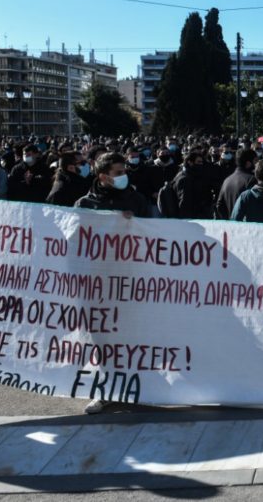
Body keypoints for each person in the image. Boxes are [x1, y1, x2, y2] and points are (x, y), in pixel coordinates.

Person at [74, 152, 152, 414]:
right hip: (98, 283)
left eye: (124, 170)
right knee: (102, 338)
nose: (123, 176)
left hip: (130, 279)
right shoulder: (85, 204)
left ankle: (138, 385)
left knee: (132, 336)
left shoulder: (137, 199)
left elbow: (156, 232)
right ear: (103, 176)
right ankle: (106, 390)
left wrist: (136, 223)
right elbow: (73, 239)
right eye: (118, 172)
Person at [215, 148, 257, 219]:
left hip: (232, 227)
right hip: (247, 228)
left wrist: (229, 221)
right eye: (255, 161)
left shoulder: (227, 180)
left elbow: (219, 206)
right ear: (248, 163)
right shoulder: (251, 180)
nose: (257, 163)